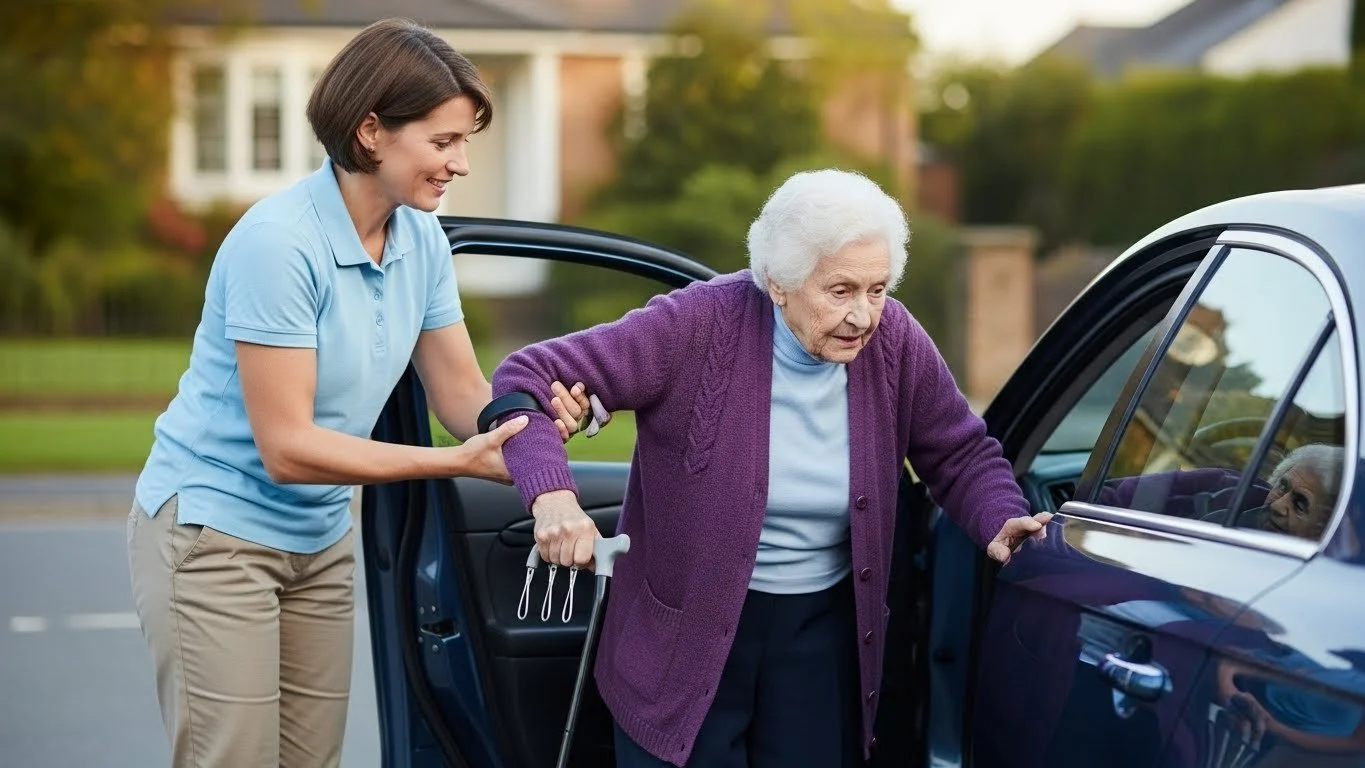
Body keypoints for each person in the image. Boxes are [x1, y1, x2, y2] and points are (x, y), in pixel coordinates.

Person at [127, 19, 595, 768]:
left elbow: (461, 392)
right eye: (443, 142)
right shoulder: (279, 244)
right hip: (215, 536)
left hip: (317, 542)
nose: (461, 164)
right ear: (372, 131)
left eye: (465, 141)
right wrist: (455, 463)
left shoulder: (420, 240)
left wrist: (529, 423)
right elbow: (287, 449)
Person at [489, 169, 1051, 767]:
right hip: (685, 642)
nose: (863, 315)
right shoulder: (695, 327)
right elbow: (524, 378)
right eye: (840, 291)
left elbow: (959, 451)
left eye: (878, 289)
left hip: (819, 635)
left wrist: (1001, 518)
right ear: (778, 283)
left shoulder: (895, 341)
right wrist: (554, 498)